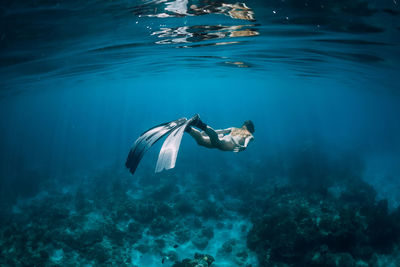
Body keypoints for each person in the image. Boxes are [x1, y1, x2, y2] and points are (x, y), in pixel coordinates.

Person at [185, 114, 254, 152]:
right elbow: (248, 139)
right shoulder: (249, 134)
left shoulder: (234, 128)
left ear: (243, 125)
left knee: (201, 141)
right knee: (217, 141)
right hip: (227, 144)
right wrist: (245, 146)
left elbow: (222, 131)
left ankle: (188, 128)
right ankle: (198, 123)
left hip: (223, 138)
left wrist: (206, 132)